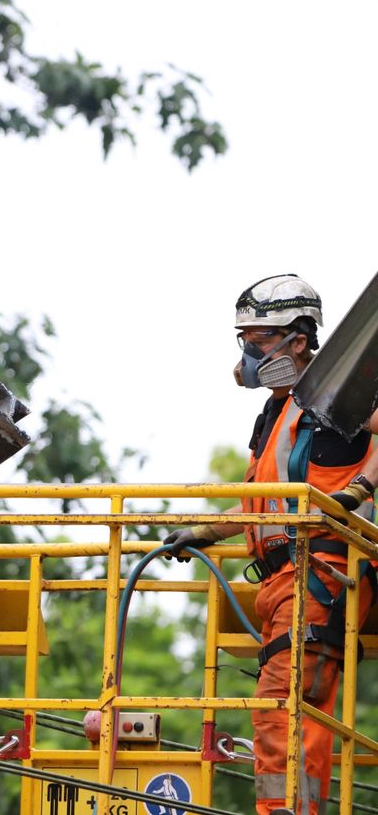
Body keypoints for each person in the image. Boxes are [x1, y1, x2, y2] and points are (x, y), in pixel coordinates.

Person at [162, 274, 378, 815]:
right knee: (286, 710)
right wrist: (206, 532)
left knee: (283, 708)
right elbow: (267, 503)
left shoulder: (339, 390)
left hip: (324, 572)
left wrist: (363, 487)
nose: (247, 352)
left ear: (297, 341)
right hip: (284, 579)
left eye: (257, 340)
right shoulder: (275, 411)